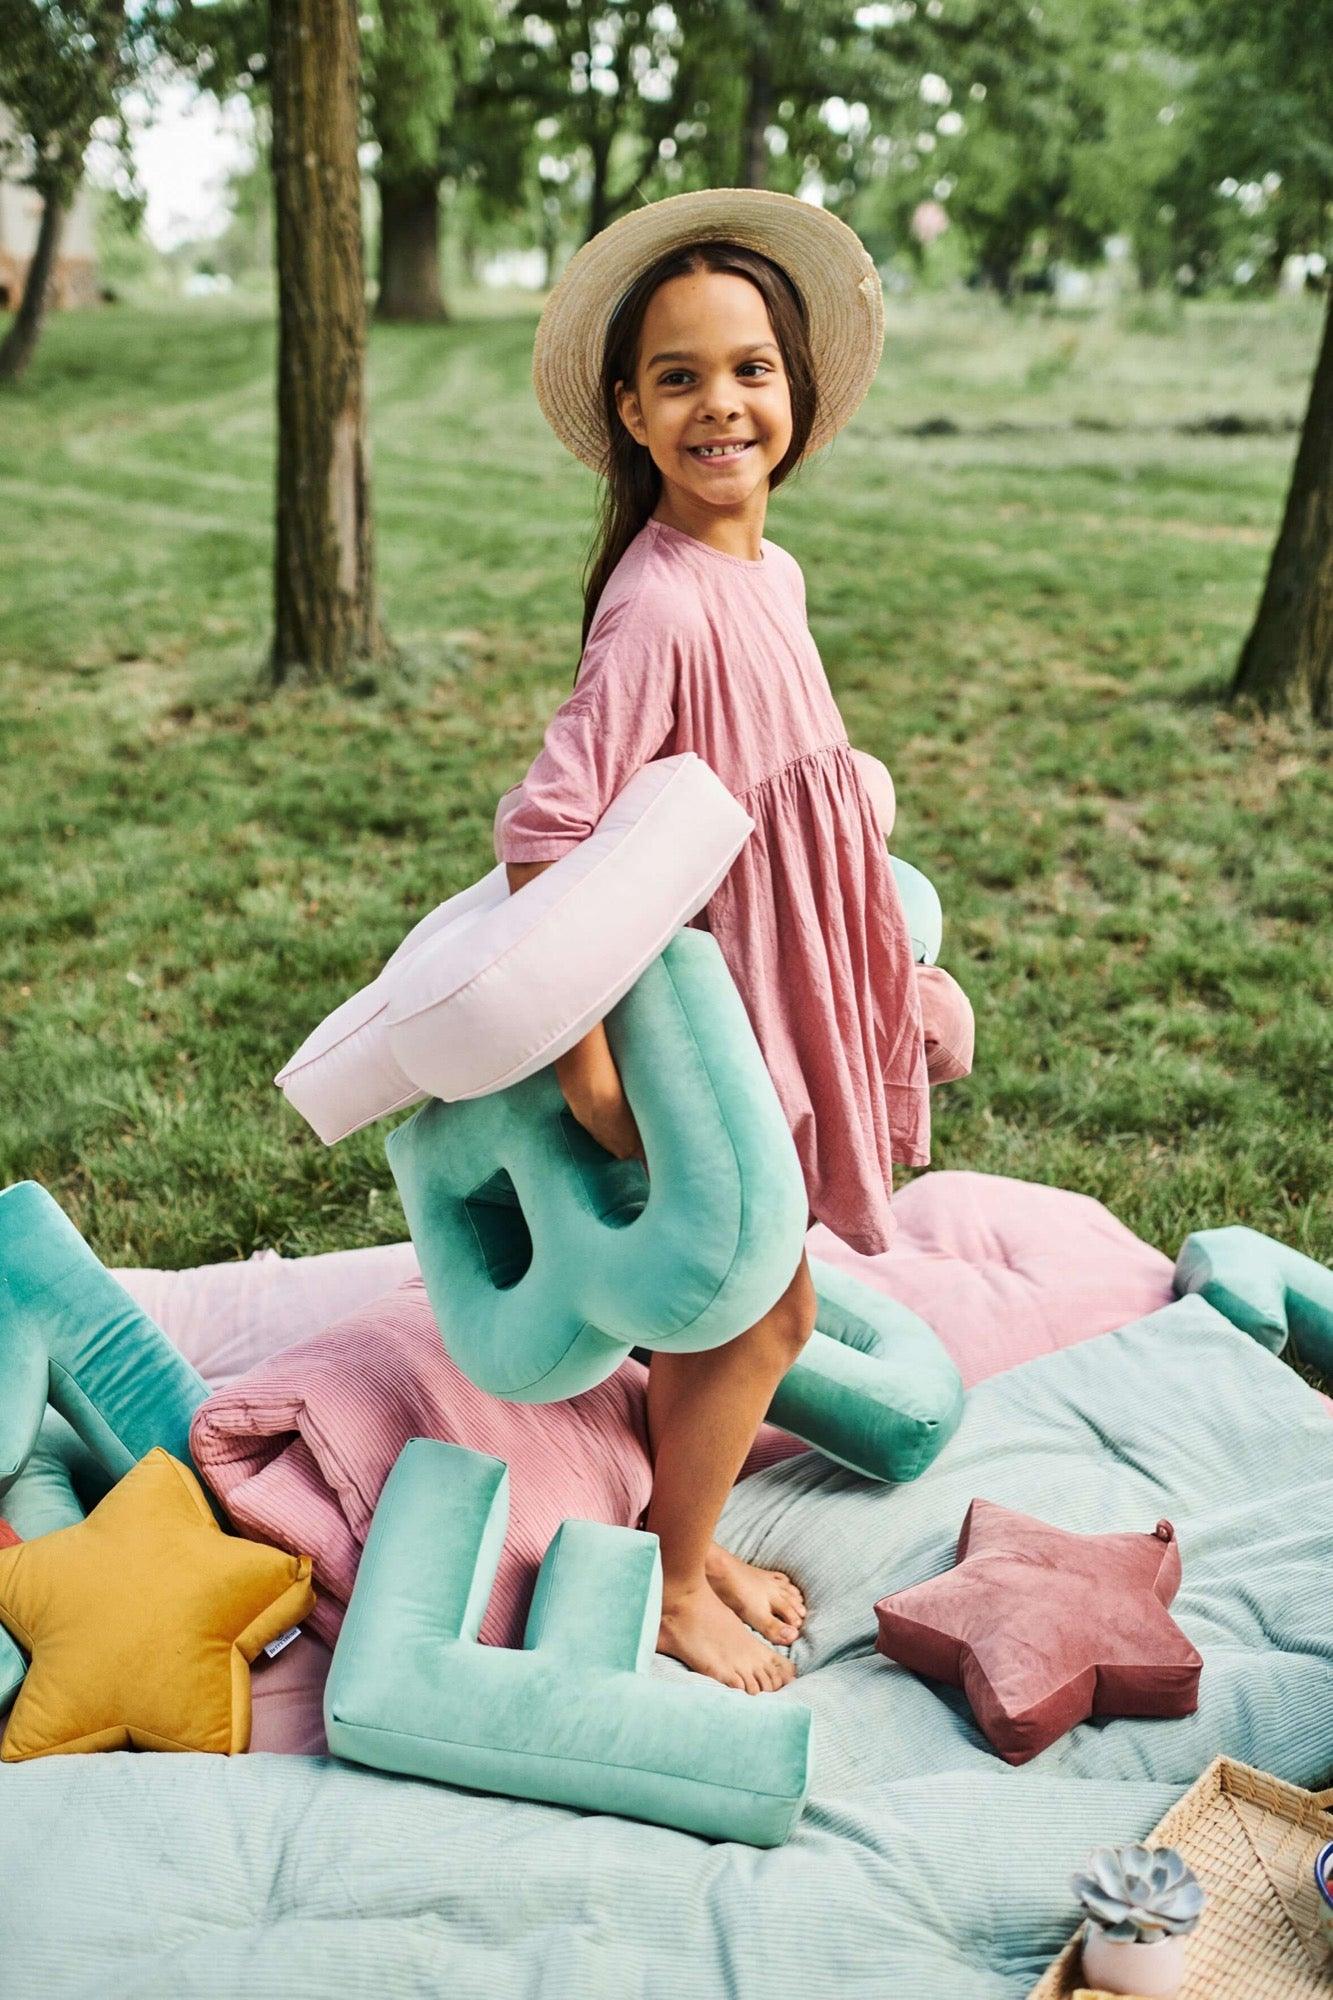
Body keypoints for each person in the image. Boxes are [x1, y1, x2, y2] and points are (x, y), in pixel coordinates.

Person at [498, 190, 974, 1697]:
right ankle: (670, 1577)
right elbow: (543, 839)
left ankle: (681, 1543)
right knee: (751, 1308)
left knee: (767, 1305)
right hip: (694, 1022)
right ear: (631, 412)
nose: (723, 404)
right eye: (682, 376)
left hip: (778, 988)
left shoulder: (768, 575)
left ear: (795, 394)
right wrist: (585, 1066)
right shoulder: (653, 611)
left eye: (750, 368)